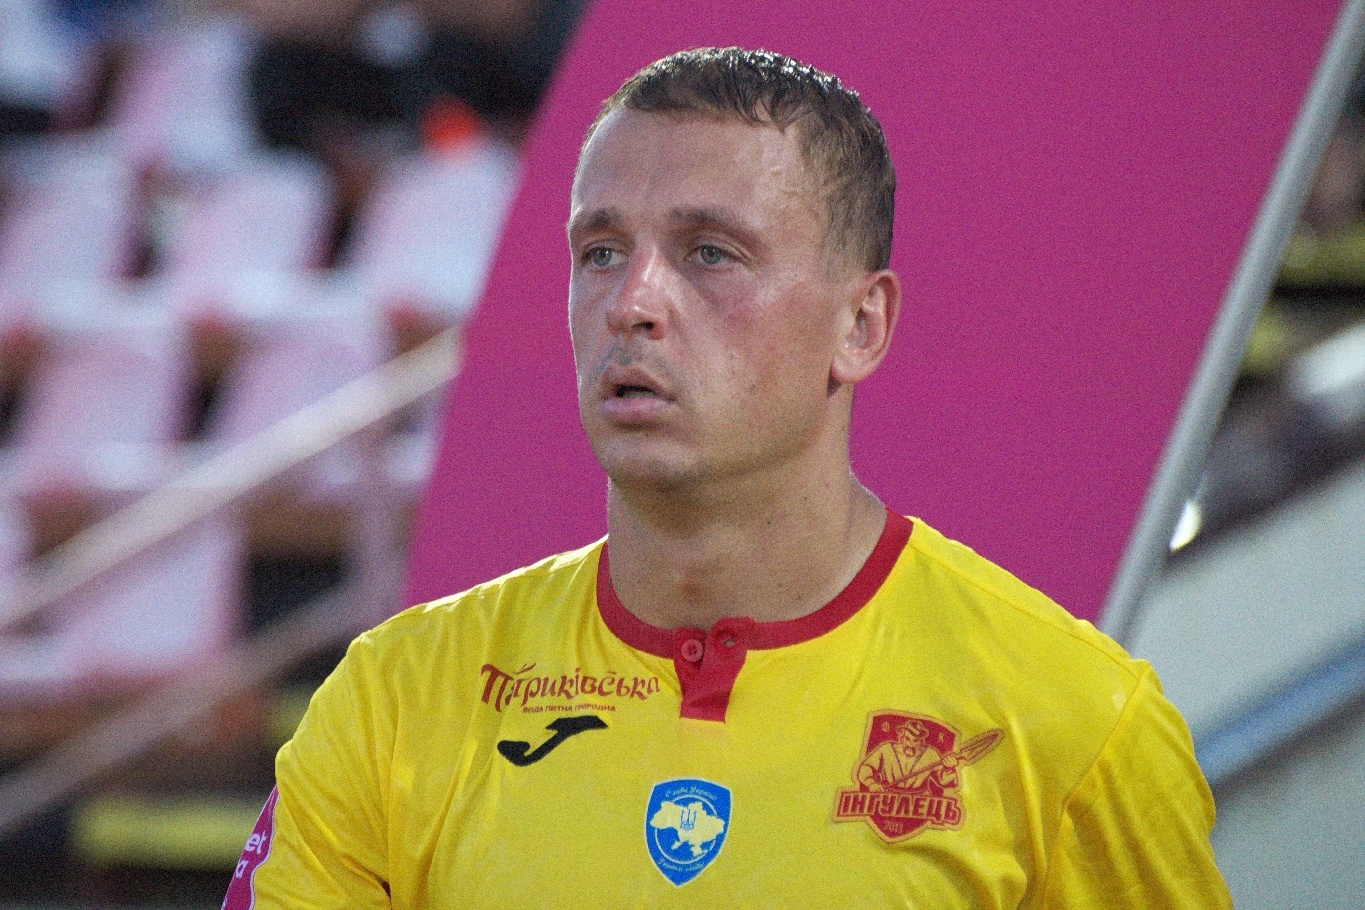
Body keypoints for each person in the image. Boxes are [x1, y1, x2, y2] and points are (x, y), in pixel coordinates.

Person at [223, 47, 1232, 908]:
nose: (631, 302)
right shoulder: (396, 701)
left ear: (860, 325)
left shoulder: (1074, 725)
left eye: (709, 253)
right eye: (601, 251)